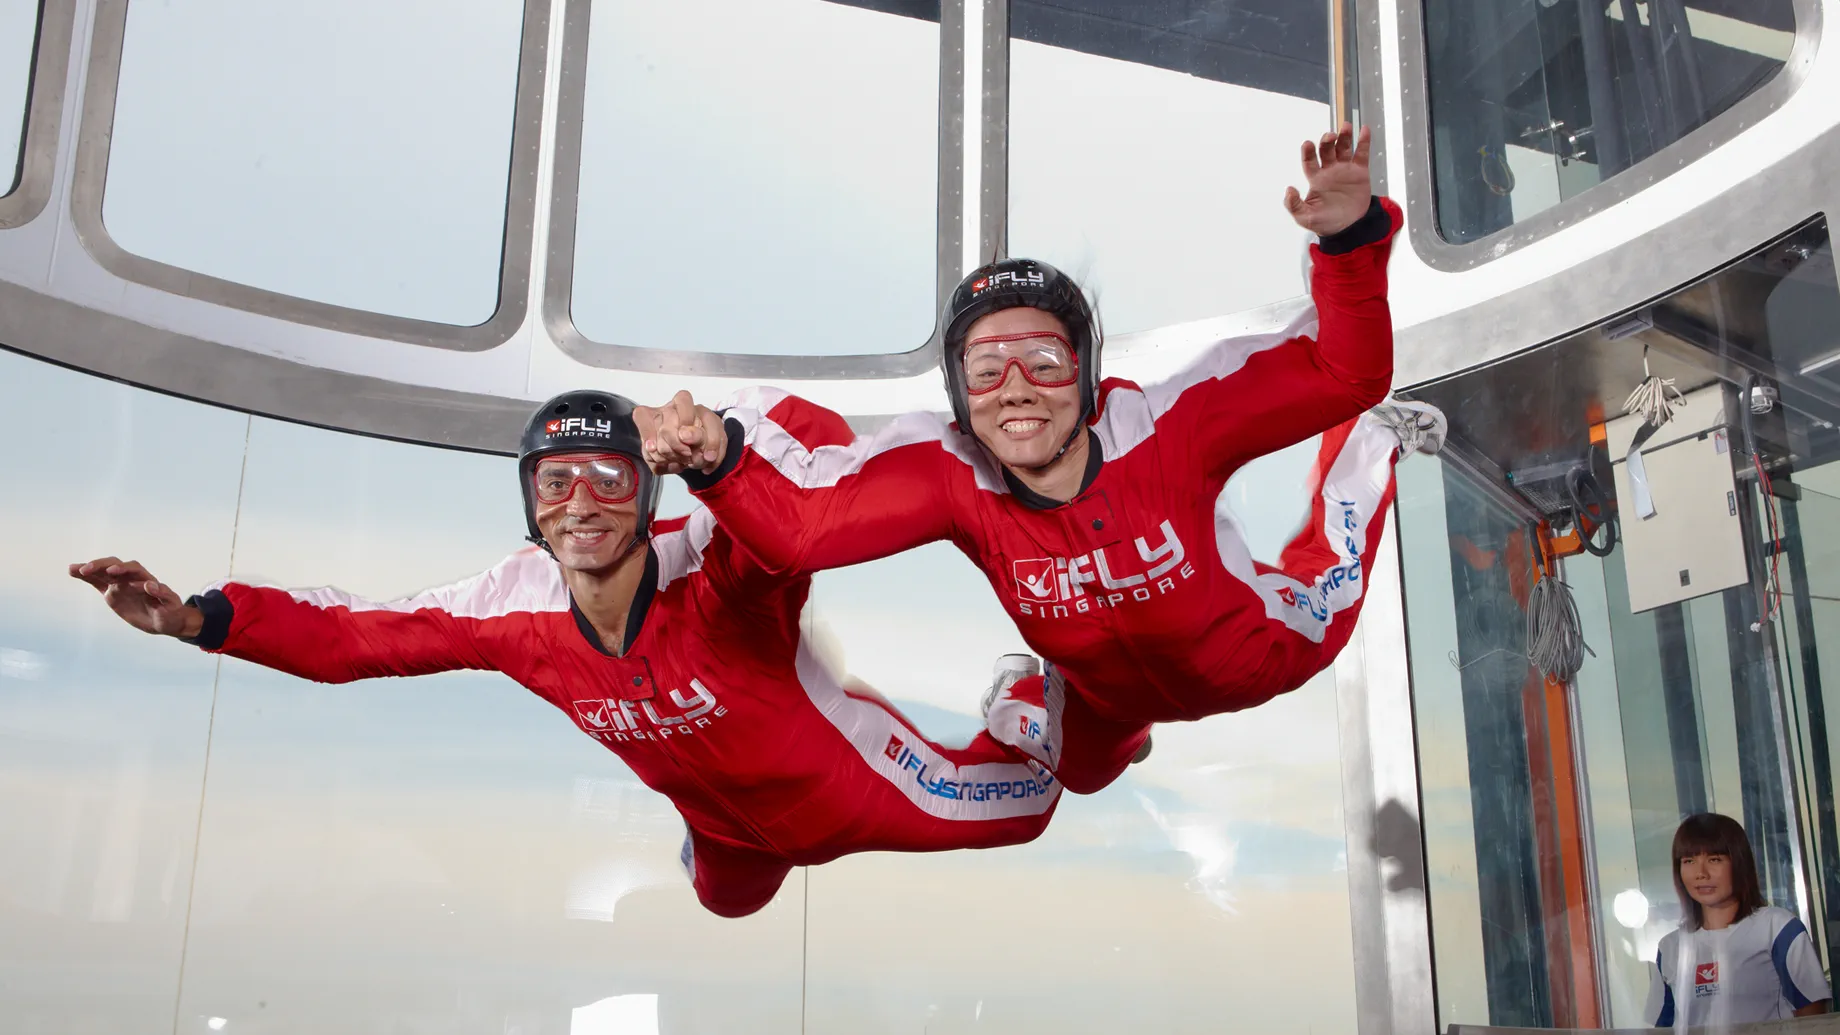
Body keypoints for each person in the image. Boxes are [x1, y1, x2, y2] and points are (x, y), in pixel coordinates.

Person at [636, 123, 1445, 794]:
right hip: (1101, 697)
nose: (1016, 390)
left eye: (1045, 363)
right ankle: (1041, 697)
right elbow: (804, 531)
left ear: (1087, 378)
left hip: (1254, 652)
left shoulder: (1169, 426)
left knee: (1332, 580)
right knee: (1084, 777)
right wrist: (715, 456)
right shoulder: (955, 477)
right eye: (986, 371)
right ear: (960, 397)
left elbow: (1343, 370)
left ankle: (1372, 443)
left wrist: (1350, 242)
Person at [68, 391, 1059, 920]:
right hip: (724, 825)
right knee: (727, 904)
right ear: (529, 504)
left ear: (649, 494)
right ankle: (723, 841)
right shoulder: (515, 605)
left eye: (607, 479)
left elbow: (811, 451)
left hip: (856, 786)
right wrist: (196, 619)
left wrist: (725, 446)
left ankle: (1029, 689)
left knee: (1029, 813)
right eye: (554, 482)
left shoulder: (713, 566)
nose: (580, 502)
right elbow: (352, 636)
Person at [1647, 812, 1831, 1027]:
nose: (1701, 873)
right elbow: (1663, 1029)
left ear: (1738, 863)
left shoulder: (1777, 928)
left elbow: (1814, 1018)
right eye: (1689, 861)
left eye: (1714, 859)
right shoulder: (1670, 947)